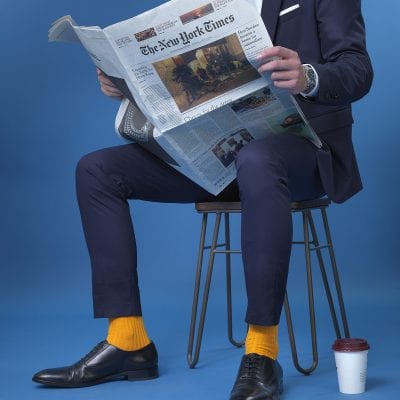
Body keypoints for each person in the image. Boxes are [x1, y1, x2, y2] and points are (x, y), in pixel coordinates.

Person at [32, 0, 373, 399]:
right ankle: (128, 341)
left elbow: (358, 69)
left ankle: (262, 351)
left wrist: (308, 76)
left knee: (257, 159)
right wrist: (123, 85)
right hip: (217, 154)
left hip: (301, 152)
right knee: (96, 171)